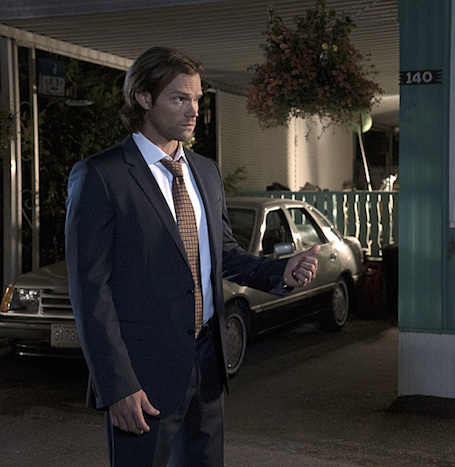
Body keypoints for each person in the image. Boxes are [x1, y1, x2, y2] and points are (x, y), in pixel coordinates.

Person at [65, 46, 320, 466]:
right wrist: (117, 385)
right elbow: (90, 292)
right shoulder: (101, 175)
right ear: (144, 98)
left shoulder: (205, 170)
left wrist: (281, 272)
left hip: (207, 367)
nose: (194, 110)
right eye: (179, 98)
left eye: (197, 98)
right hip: (141, 378)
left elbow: (224, 253)